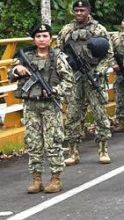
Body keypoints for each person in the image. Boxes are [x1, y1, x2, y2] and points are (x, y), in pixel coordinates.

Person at [10, 24, 75, 194]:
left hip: (49, 105)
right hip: (31, 105)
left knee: (53, 141)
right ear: (34, 39)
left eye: (45, 36)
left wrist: (55, 90)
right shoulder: (26, 56)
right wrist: (18, 69)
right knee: (33, 142)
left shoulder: (57, 58)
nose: (41, 39)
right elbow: (11, 72)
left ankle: (55, 178)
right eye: (38, 36)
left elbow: (69, 81)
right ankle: (36, 179)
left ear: (50, 38)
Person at [58, 0, 114, 166]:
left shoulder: (99, 29)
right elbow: (58, 52)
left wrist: (99, 72)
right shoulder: (67, 30)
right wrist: (68, 65)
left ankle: (103, 149)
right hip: (75, 78)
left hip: (93, 75)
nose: (79, 13)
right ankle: (73, 151)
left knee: (100, 114)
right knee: (73, 115)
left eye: (82, 10)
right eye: (76, 10)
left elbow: (109, 54)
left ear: (89, 10)